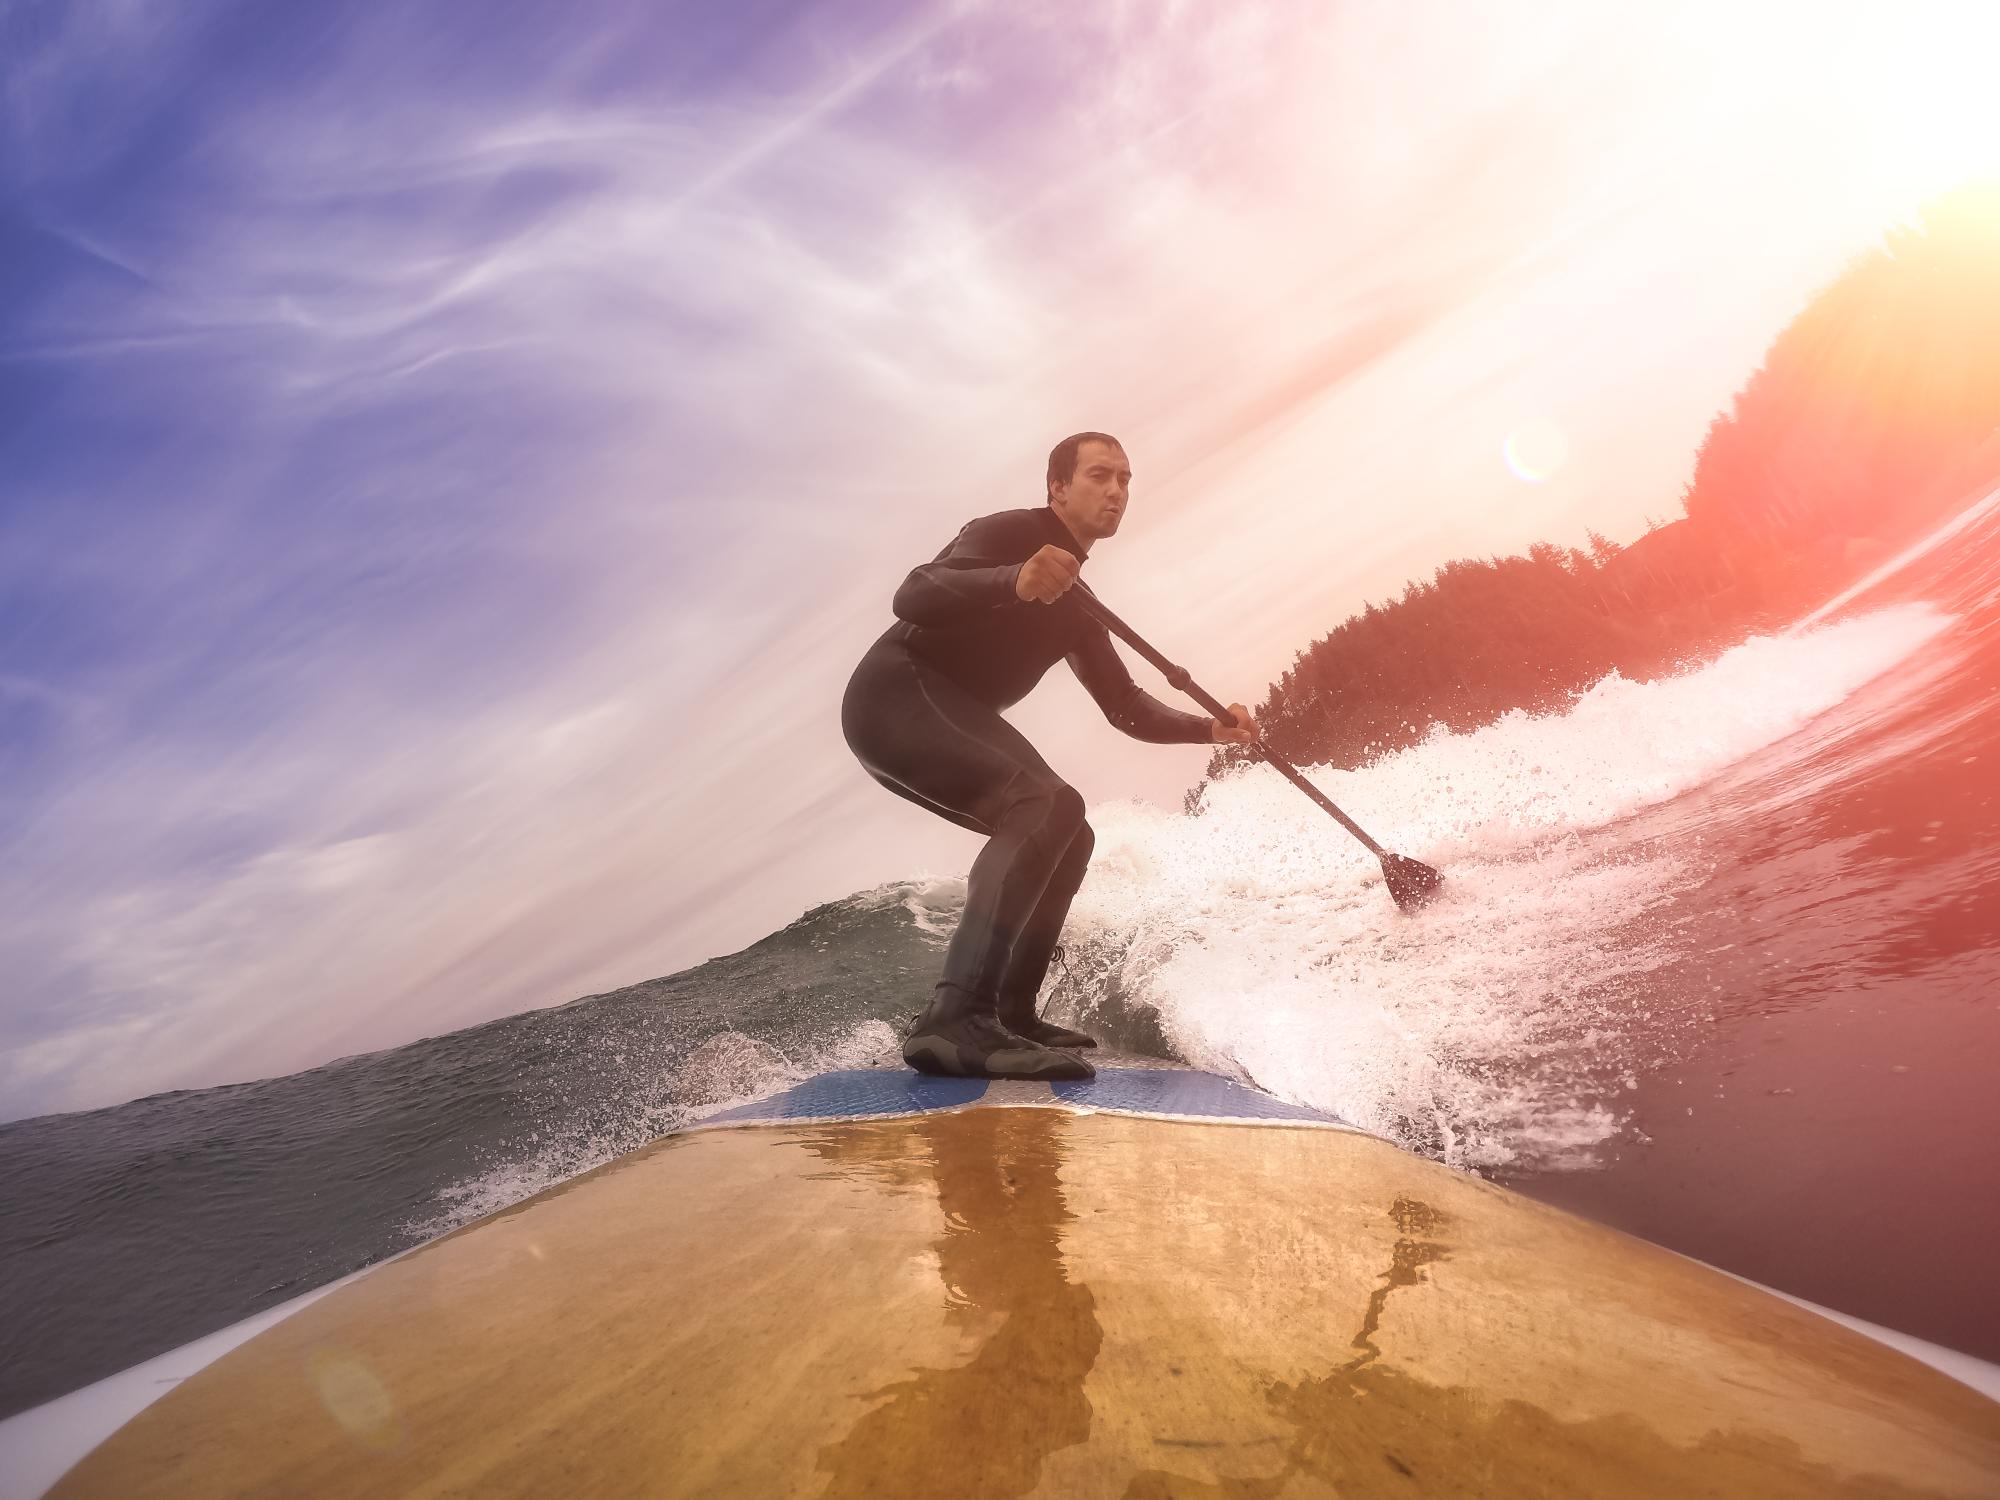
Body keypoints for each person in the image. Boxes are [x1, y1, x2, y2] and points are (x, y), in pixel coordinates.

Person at [841, 432, 1258, 1081]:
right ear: (1058, 487)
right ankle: (955, 1017)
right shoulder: (1012, 533)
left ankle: (1009, 1010)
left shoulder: (1077, 606)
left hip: (928, 709)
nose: (1116, 491)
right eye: (1099, 475)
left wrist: (1212, 730)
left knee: (1071, 830)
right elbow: (916, 592)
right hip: (895, 693)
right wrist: (1014, 578)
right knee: (1044, 800)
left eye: (1125, 479)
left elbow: (1125, 706)